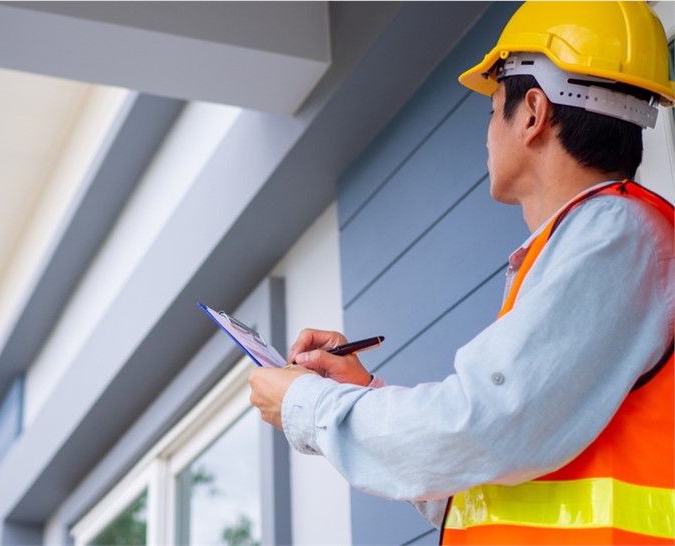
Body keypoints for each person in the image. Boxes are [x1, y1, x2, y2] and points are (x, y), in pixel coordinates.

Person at [248, 2, 674, 544]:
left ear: (533, 113)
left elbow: (483, 427)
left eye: (493, 109)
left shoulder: (617, 234)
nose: (489, 132)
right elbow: (481, 469)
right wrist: (365, 391)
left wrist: (307, 407)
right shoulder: (598, 243)